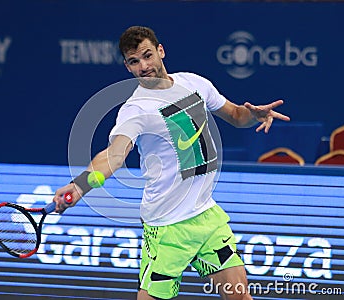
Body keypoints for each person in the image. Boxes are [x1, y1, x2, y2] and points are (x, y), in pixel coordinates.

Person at [53, 26, 290, 300]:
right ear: (127, 67)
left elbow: (236, 115)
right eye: (134, 61)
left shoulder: (194, 83)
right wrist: (79, 186)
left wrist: (254, 116)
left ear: (160, 51)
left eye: (147, 55)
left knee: (239, 296)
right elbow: (114, 155)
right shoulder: (135, 109)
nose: (143, 66)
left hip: (206, 216)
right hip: (167, 226)